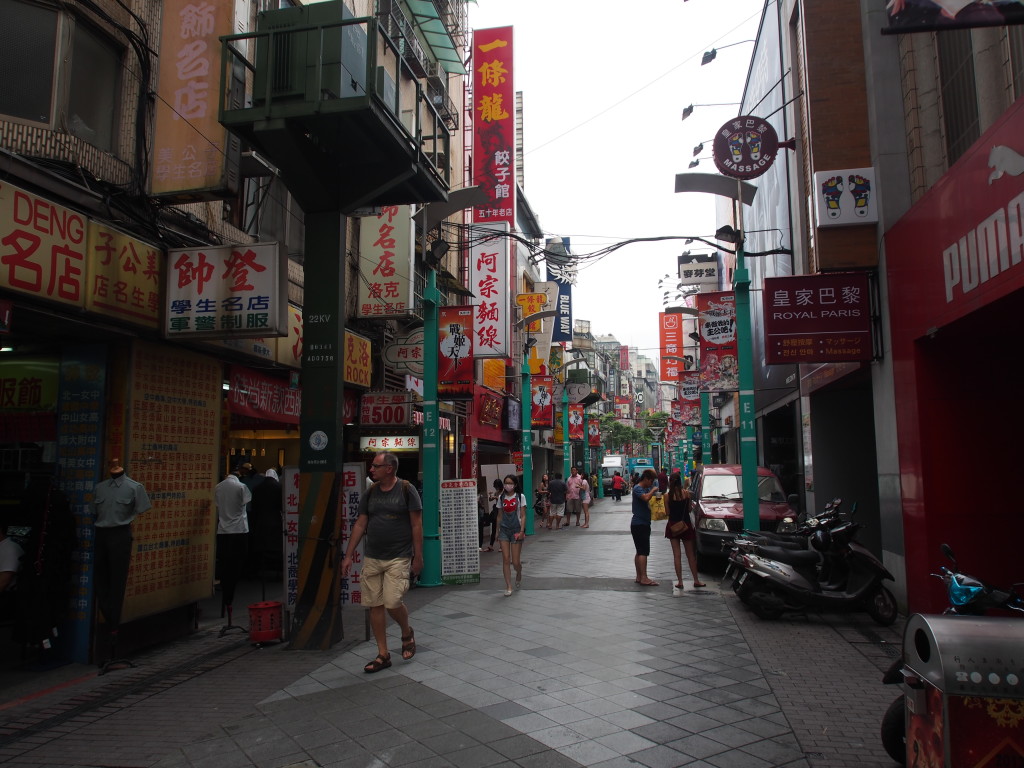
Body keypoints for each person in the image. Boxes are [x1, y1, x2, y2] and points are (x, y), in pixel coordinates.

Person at [341, 451, 423, 674]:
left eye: (375, 466)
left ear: (388, 468)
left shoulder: (407, 490)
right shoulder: (371, 493)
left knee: (392, 601)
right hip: (373, 556)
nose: (371, 469)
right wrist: (348, 555)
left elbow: (416, 525)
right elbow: (360, 524)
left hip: (399, 556)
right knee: (374, 605)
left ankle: (406, 632)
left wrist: (418, 556)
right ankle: (383, 654)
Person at [92, 458, 152, 633]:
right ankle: (109, 615)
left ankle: (114, 625)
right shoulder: (100, 488)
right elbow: (93, 509)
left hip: (121, 533)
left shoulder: (135, 487)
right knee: (100, 578)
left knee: (118, 579)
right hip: (101, 534)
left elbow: (141, 508)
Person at [215, 465, 252, 624]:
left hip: (223, 531)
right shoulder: (241, 487)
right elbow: (246, 502)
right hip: (239, 530)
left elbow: (217, 505)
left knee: (224, 564)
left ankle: (226, 595)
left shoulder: (218, 487)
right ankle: (230, 596)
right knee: (236, 565)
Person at [665, 472, 704, 589]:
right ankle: (696, 580)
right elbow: (688, 509)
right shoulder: (686, 494)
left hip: (673, 526)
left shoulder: (667, 496)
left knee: (677, 555)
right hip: (685, 525)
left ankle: (680, 582)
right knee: (690, 555)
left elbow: (667, 513)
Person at [495, 474, 526, 596]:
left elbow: (523, 515)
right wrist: (497, 531)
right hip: (504, 530)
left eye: (510, 483)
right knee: (506, 559)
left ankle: (518, 572)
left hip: (516, 530)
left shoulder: (520, 496)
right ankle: (508, 586)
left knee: (516, 562)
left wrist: (522, 531)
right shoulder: (501, 497)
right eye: (506, 483)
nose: (508, 485)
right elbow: (499, 515)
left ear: (515, 485)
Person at [630, 469, 659, 586]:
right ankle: (644, 577)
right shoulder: (638, 488)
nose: (651, 484)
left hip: (642, 523)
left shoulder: (644, 489)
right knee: (643, 552)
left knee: (639, 551)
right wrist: (653, 490)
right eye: (651, 481)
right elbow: (646, 498)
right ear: (646, 478)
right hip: (640, 524)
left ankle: (639, 576)